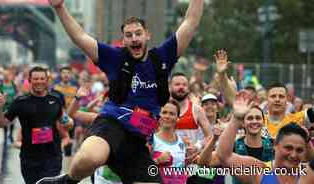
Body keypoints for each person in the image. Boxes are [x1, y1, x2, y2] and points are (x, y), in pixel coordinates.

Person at [37, 0, 205, 183]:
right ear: (124, 40)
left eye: (138, 33)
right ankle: (67, 181)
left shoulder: (163, 56)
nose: (134, 38)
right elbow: (80, 37)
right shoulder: (114, 57)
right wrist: (59, 8)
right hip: (110, 126)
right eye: (129, 35)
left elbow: (190, 22)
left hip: (137, 140)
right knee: (90, 158)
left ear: (147, 35)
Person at [0, 66, 74, 184]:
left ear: (47, 80)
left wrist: (69, 122)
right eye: (36, 79)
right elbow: (0, 124)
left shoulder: (56, 100)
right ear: (30, 80)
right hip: (30, 159)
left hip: (53, 157)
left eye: (42, 78)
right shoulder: (20, 102)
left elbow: (65, 123)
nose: (39, 81)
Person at [216, 91, 313, 184]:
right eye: (288, 148)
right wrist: (236, 118)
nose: (293, 155)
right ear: (275, 145)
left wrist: (307, 140)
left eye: (299, 150)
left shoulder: (308, 175)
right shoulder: (260, 171)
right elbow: (224, 156)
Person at [232, 106, 274, 184]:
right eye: (250, 118)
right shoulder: (233, 147)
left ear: (264, 122)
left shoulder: (273, 146)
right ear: (243, 123)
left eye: (258, 118)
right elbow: (205, 163)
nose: (254, 121)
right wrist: (214, 139)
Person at [0, 70, 18, 144]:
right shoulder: (1, 85)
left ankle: (11, 135)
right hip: (4, 105)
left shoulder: (13, 85)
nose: (6, 77)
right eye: (5, 75)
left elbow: (17, 93)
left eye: (7, 75)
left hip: (12, 105)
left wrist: (15, 99)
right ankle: (5, 136)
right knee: (5, 121)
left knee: (12, 121)